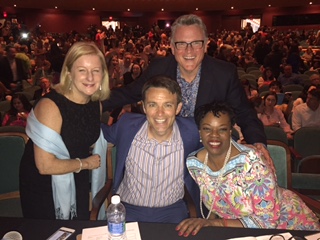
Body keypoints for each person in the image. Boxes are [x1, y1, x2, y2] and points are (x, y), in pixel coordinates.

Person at [102, 14, 267, 152]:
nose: (189, 51)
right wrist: (95, 103)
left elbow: (245, 113)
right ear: (173, 47)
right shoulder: (159, 68)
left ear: (205, 45)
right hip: (169, 150)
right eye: (182, 44)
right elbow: (129, 93)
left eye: (196, 43)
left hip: (209, 151)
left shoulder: (224, 73)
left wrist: (258, 142)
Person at [176, 102, 320, 237]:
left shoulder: (252, 163)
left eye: (222, 129)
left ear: (230, 131)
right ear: (199, 131)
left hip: (287, 227)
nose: (214, 136)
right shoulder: (194, 164)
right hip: (237, 230)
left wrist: (214, 223)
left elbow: (267, 221)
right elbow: (215, 201)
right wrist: (209, 227)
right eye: (207, 128)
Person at [19, 42, 110, 220]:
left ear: (103, 75)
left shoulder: (95, 104)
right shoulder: (50, 106)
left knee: (77, 228)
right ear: (69, 73)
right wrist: (85, 164)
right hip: (44, 184)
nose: (90, 77)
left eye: (96, 70)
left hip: (77, 176)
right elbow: (45, 166)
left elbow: (82, 138)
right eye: (82, 70)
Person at [101, 75, 202, 223]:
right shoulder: (127, 125)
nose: (160, 113)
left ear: (178, 108)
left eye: (167, 105)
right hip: (128, 210)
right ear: (144, 106)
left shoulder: (190, 131)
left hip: (173, 211)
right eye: (153, 105)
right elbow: (99, 132)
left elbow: (218, 139)